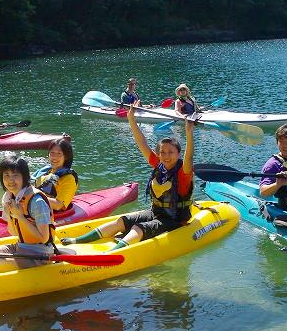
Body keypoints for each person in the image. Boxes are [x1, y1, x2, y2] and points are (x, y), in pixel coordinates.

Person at [62, 99, 195, 250]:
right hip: (156, 213)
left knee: (137, 228)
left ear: (178, 154)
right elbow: (142, 143)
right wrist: (131, 119)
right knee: (121, 221)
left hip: (175, 219)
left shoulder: (184, 173)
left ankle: (113, 253)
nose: (166, 156)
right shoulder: (158, 165)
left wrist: (189, 133)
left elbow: (189, 157)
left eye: (171, 152)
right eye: (162, 152)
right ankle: (77, 240)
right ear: (158, 154)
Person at [31, 138, 78, 211]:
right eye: (52, 153)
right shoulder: (45, 171)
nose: (54, 157)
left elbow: (58, 205)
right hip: (36, 208)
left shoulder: (68, 178)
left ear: (66, 157)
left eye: (59, 154)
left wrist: (31, 197)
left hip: (52, 214)